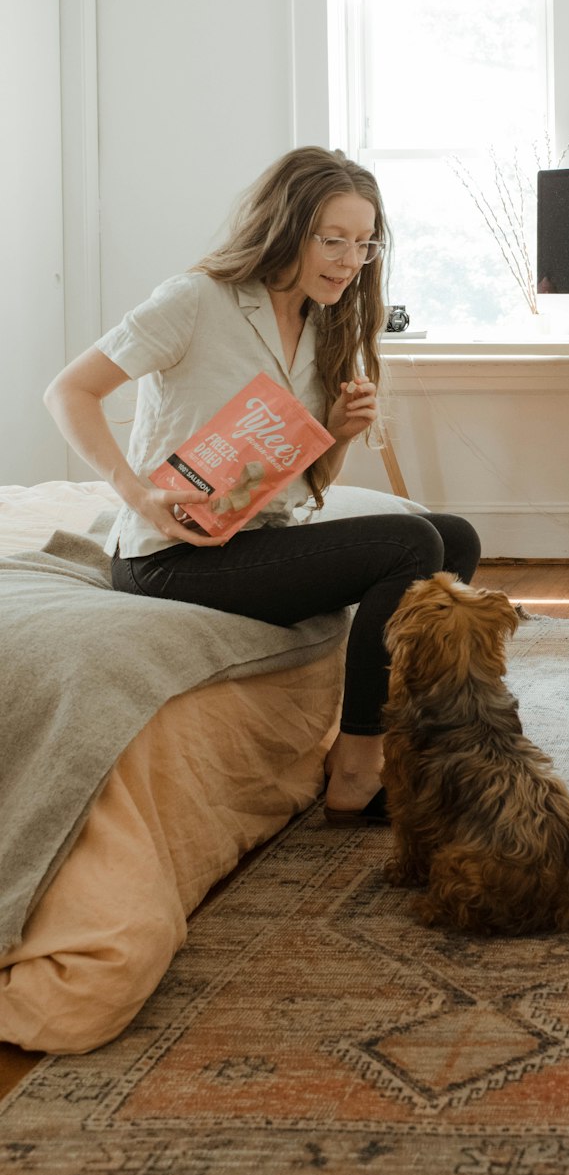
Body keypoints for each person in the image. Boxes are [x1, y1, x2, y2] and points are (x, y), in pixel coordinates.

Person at [44, 146, 481, 823]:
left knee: (453, 538)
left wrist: (335, 430)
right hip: (171, 558)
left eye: (363, 245)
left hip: (256, 538)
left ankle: (417, 744)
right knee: (408, 542)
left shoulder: (323, 324)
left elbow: (303, 484)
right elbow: (68, 391)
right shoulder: (196, 300)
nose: (348, 260)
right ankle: (357, 769)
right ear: (285, 228)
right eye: (333, 240)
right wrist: (137, 495)